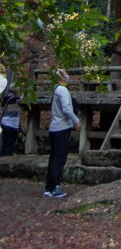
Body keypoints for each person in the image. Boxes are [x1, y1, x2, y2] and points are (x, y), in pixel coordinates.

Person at [44, 69, 80, 198]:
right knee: (59, 159)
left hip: (54, 127)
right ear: (62, 77)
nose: (67, 76)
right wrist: (76, 121)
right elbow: (66, 109)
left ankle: (49, 187)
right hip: (62, 127)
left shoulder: (56, 90)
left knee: (53, 158)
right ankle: (55, 187)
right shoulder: (63, 91)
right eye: (65, 74)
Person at [0, 88, 22, 156]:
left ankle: (2, 158)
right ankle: (7, 159)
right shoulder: (16, 99)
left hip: (4, 122)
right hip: (12, 124)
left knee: (4, 143)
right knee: (10, 144)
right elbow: (23, 101)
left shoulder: (6, 98)